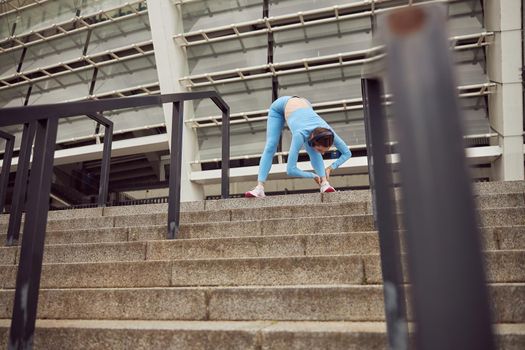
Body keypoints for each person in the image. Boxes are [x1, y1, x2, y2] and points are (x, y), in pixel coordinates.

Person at [245, 95, 352, 198]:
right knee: (271, 146)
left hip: (305, 104)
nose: (323, 153)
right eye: (321, 149)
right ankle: (259, 188)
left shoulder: (328, 132)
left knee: (314, 150)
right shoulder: (299, 134)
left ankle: (324, 183)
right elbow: (290, 170)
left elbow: (347, 153)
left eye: (325, 150)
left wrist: (331, 168)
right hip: (280, 106)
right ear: (312, 139)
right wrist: (313, 175)